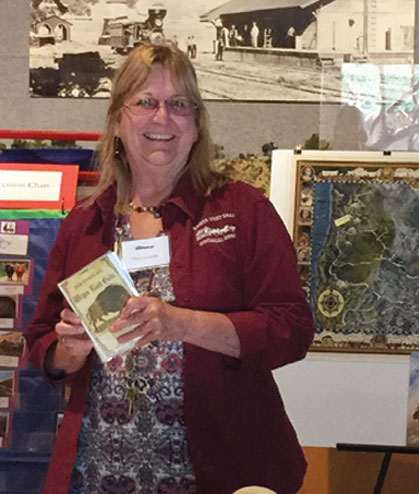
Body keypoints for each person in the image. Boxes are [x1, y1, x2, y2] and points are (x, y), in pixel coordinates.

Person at [24, 43, 314, 494]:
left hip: (220, 472)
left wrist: (182, 323)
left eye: (179, 104)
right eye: (145, 102)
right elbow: (41, 341)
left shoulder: (242, 210)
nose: (162, 118)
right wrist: (69, 351)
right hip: (99, 474)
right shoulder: (85, 223)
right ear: (118, 120)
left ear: (197, 125)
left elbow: (292, 329)